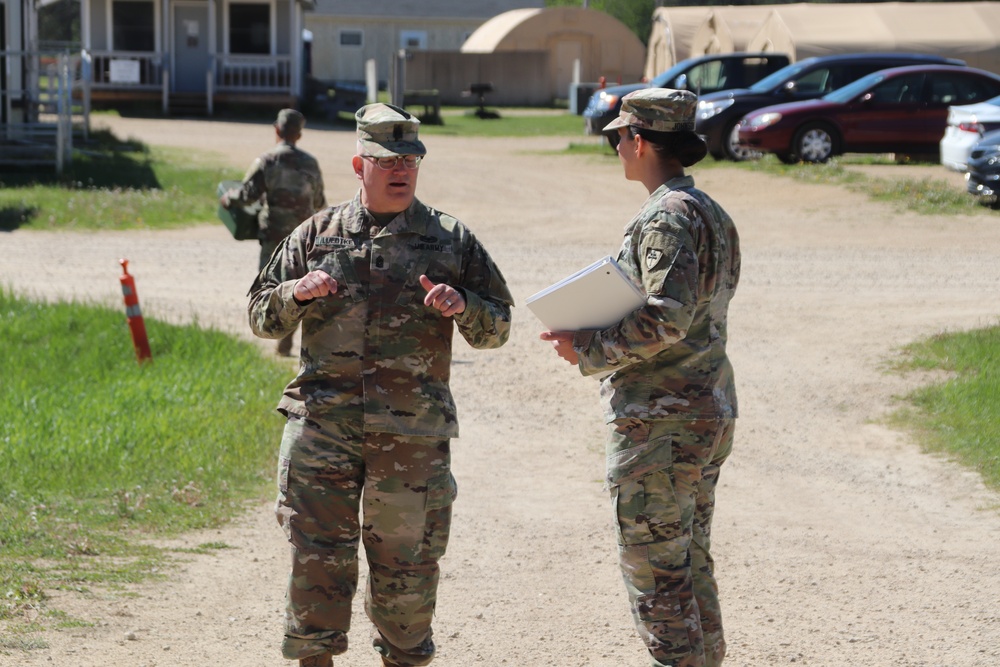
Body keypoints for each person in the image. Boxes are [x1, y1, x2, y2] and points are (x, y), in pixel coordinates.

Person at [248, 103, 513, 667]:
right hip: (324, 432)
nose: (401, 170)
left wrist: (464, 305)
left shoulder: (450, 240)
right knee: (316, 562)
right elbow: (259, 317)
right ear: (358, 164)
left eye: (411, 160)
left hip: (410, 439)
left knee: (407, 570)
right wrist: (295, 294)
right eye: (387, 160)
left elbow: (498, 327)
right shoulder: (315, 235)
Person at [540, 88, 740, 667]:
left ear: (641, 141)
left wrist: (587, 348)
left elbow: (666, 318)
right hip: (705, 408)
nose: (617, 146)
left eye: (618, 136)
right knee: (689, 558)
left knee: (656, 566)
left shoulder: (665, 218)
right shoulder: (712, 213)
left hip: (662, 420)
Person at [223, 108, 326, 355]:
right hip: (303, 236)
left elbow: (247, 195)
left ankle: (276, 334)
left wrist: (228, 199)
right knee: (302, 286)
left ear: (277, 130)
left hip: (273, 234)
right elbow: (320, 201)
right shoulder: (310, 163)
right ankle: (291, 342)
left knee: (270, 286)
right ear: (299, 135)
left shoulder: (267, 161)